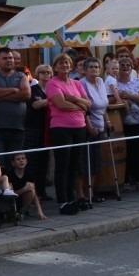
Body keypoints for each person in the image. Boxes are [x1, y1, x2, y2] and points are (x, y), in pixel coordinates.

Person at [46, 53, 89, 215]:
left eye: (67, 62)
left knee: (74, 165)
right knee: (62, 165)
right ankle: (62, 201)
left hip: (79, 127)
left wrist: (72, 98)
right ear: (55, 67)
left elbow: (88, 102)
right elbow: (60, 104)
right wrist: (80, 106)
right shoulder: (52, 83)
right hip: (61, 128)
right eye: (61, 63)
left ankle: (71, 198)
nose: (64, 65)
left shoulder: (76, 83)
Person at [0, 48, 29, 161]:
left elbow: (26, 95)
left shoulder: (21, 76)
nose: (9, 60)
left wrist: (0, 97)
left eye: (10, 58)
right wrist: (13, 90)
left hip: (17, 128)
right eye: (5, 58)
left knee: (15, 162)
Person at [112, 56, 139, 192]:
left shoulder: (137, 82)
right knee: (125, 151)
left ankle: (138, 180)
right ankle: (125, 180)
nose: (125, 67)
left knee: (137, 151)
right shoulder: (114, 83)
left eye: (128, 65)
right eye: (122, 65)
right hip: (122, 122)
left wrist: (129, 96)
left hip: (138, 120)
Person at [77, 57, 109, 206]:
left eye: (96, 67)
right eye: (91, 67)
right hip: (87, 127)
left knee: (95, 161)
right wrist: (89, 126)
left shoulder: (101, 81)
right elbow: (84, 107)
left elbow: (104, 105)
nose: (94, 69)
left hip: (100, 126)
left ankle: (91, 193)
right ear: (85, 69)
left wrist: (107, 122)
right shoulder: (81, 84)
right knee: (84, 162)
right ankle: (81, 194)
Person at [25, 64, 53, 201]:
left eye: (48, 72)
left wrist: (44, 101)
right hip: (33, 129)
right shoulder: (33, 89)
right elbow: (35, 105)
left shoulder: (52, 89)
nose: (46, 75)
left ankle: (41, 191)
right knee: (32, 161)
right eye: (43, 72)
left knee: (44, 161)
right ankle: (31, 193)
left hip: (48, 128)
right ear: (37, 74)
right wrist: (51, 100)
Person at [4, 153, 47, 220]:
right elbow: (11, 195)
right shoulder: (9, 174)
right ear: (13, 163)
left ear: (26, 161)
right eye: (18, 159)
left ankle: (22, 212)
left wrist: (40, 211)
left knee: (31, 190)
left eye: (23, 158)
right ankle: (13, 214)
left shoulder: (29, 174)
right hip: (12, 202)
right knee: (28, 189)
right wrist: (24, 189)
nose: (21, 161)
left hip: (23, 200)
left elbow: (34, 195)